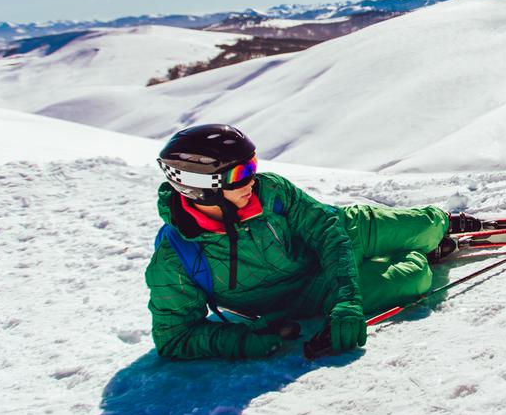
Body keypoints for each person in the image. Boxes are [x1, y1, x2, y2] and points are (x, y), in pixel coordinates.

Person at [145, 123, 457, 360]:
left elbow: (327, 230)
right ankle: (419, 254)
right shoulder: (177, 257)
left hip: (342, 235)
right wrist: (241, 342)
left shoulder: (271, 192)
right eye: (240, 173)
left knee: (427, 227)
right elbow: (173, 337)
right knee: (415, 278)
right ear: (200, 186)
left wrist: (348, 297)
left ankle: (442, 226)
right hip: (309, 292)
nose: (252, 180)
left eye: (252, 166)